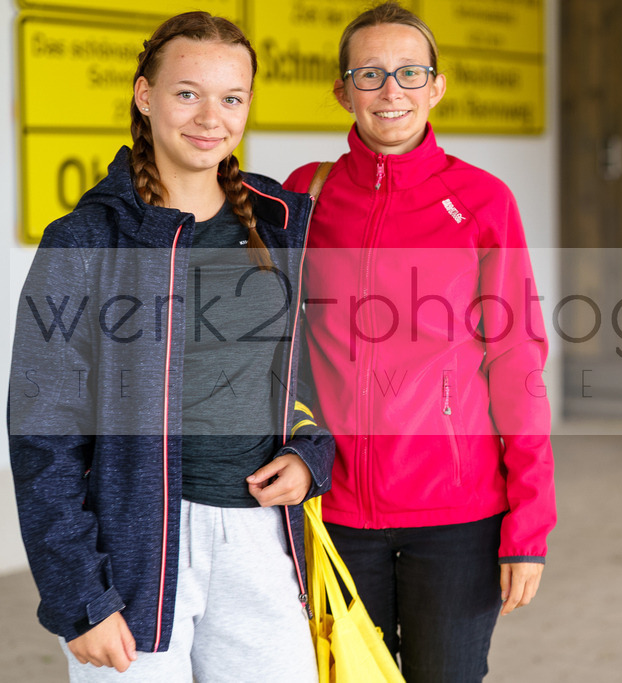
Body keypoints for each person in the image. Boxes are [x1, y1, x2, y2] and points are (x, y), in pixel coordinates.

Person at [8, 11, 333, 681]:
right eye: (187, 92)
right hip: (135, 553)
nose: (210, 116)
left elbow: (312, 378)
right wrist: (80, 597)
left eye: (231, 97)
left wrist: (310, 455)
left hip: (260, 539)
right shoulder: (85, 240)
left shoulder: (280, 226)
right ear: (144, 95)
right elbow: (44, 432)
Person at [283, 2, 557, 681]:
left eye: (410, 72)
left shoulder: (482, 200)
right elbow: (271, 346)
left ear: (436, 86)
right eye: (370, 74)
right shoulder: (303, 194)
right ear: (342, 90)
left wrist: (529, 525)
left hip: (458, 515)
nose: (391, 91)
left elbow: (517, 360)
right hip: (335, 507)